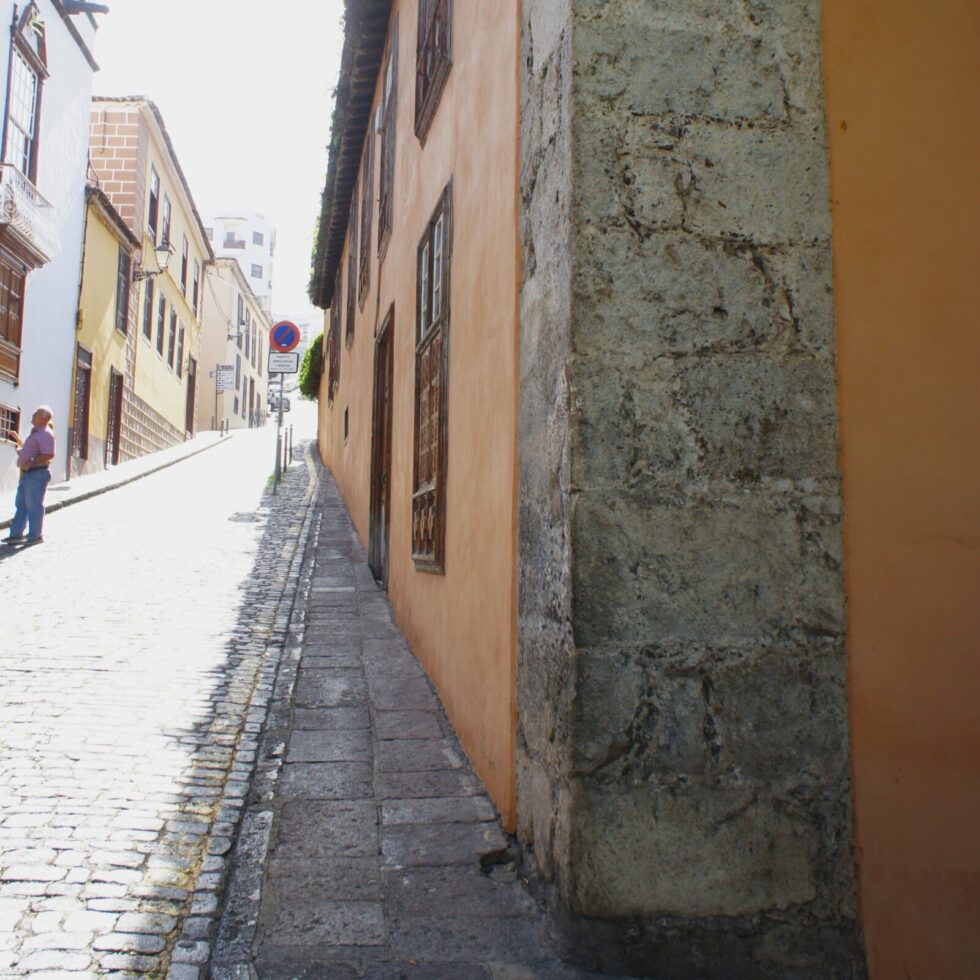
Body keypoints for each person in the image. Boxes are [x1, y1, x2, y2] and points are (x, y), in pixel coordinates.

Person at [3, 405, 55, 547]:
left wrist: (31, 460)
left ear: (43, 418)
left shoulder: (45, 434)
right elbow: (34, 451)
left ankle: (35, 535)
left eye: (36, 413)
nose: (33, 414)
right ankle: (16, 535)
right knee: (21, 504)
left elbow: (49, 454)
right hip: (28, 473)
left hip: (37, 473)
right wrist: (23, 453)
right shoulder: (36, 433)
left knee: (34, 505)